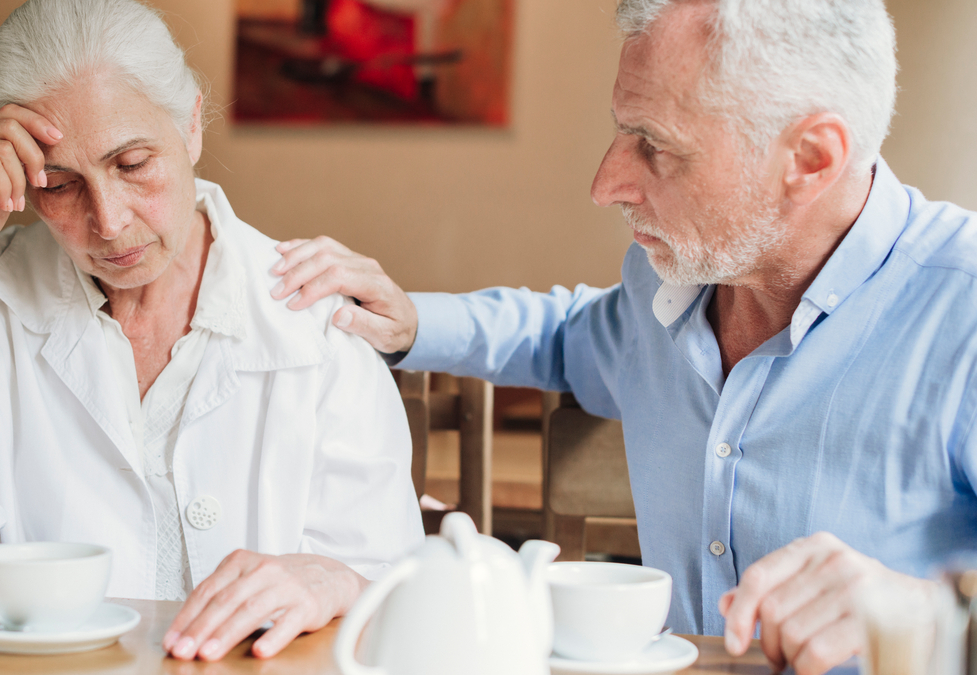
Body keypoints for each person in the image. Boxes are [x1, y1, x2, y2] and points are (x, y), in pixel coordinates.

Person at [271, 0, 977, 673]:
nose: (606, 184)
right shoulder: (662, 283)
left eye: (656, 146)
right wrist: (412, 319)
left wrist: (919, 608)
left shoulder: (964, 310)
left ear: (812, 158)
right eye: (621, 130)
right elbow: (567, 335)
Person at [0, 0, 423, 662]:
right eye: (59, 185)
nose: (110, 221)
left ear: (191, 126)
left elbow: (403, 597)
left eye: (132, 164)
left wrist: (335, 578)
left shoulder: (318, 316)